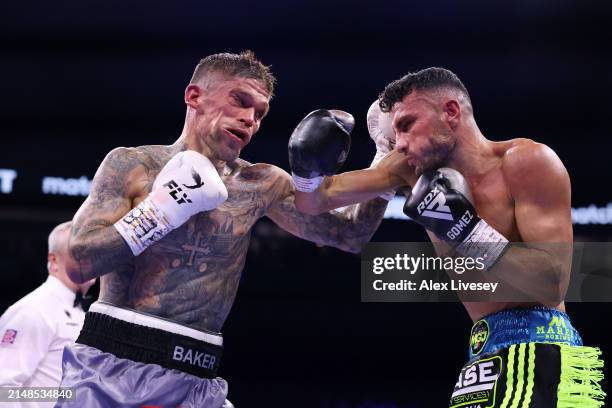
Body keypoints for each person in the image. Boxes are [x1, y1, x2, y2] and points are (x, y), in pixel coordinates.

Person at [56, 51, 390, 407]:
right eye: (240, 101)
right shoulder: (133, 164)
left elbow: (350, 234)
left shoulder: (261, 184)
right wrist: (160, 211)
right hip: (111, 370)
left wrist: (386, 157)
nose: (249, 119)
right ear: (194, 96)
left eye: (260, 113)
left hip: (199, 380)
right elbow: (78, 262)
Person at [292, 68, 605, 407]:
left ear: (451, 112)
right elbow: (315, 201)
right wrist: (305, 167)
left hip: (542, 347)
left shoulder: (526, 162)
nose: (401, 143)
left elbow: (552, 283)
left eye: (408, 124)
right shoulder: (409, 169)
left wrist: (468, 231)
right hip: (482, 355)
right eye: (395, 131)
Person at [0, 221, 95, 407]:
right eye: (80, 253)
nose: (90, 260)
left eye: (93, 252)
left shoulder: (78, 311)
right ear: (54, 261)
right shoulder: (33, 310)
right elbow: (4, 389)